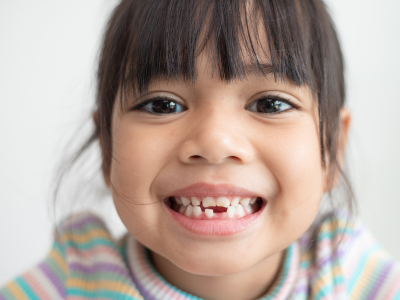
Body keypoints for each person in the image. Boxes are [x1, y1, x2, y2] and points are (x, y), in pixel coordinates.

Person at [1, 0, 399, 299]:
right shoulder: (76, 279)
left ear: (332, 147)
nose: (214, 142)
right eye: (162, 105)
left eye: (270, 104)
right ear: (108, 147)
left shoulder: (348, 274)